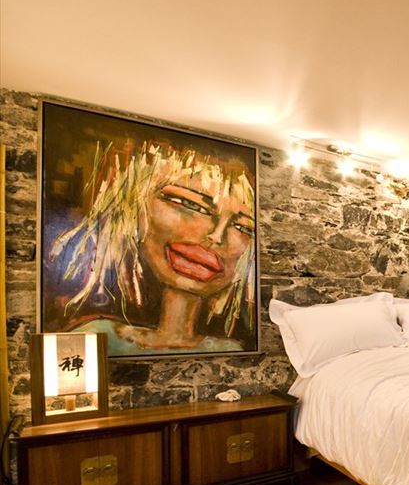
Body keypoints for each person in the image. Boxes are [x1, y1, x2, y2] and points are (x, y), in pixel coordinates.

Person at [49, 141, 256, 355]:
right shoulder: (94, 339)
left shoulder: (233, 349)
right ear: (132, 205)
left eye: (244, 227)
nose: (216, 236)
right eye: (189, 204)